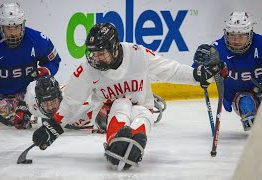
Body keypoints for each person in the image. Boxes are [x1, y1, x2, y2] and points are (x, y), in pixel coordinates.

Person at [31, 22, 224, 171]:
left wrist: (196, 74)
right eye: (93, 53)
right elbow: (71, 100)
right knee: (121, 104)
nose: (95, 58)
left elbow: (170, 70)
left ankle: (136, 141)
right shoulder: (88, 69)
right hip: (106, 113)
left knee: (142, 112)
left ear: (114, 47)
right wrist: (53, 127)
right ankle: (115, 139)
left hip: (142, 104)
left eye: (101, 53)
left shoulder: (138, 54)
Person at [0, 2, 61, 125]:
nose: (13, 33)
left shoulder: (37, 39)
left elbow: (54, 60)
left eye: (17, 27)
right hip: (0, 98)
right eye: (9, 28)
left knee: (56, 100)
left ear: (23, 25)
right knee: (17, 121)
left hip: (28, 94)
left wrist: (47, 70)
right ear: (1, 27)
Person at [195, 12, 262, 131]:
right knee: (246, 104)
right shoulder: (217, 49)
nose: (236, 40)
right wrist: (201, 66)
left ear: (250, 34)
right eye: (232, 36)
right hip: (238, 95)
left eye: (241, 36)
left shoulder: (260, 44)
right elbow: (196, 71)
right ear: (226, 34)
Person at [15, 75, 94, 130]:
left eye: (53, 102)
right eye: (45, 104)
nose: (50, 108)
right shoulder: (32, 103)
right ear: (38, 102)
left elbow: (100, 99)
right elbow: (31, 86)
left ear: (60, 98)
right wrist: (23, 110)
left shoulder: (75, 100)